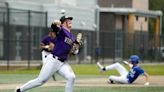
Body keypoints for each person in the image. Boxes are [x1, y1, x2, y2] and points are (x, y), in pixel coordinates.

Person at [15, 16, 82, 92]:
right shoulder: (62, 30)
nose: (70, 21)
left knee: (71, 77)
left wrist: (76, 47)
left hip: (62, 63)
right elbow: (55, 28)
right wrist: (54, 24)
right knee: (40, 81)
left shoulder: (72, 38)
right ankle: (19, 90)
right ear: (63, 23)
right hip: (53, 60)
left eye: (70, 20)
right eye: (67, 20)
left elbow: (72, 53)